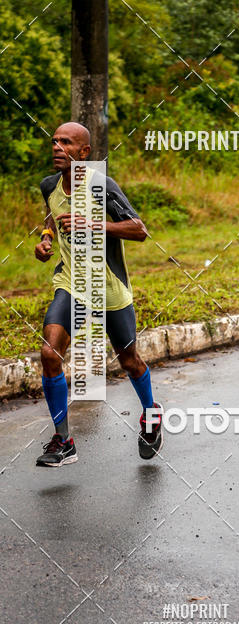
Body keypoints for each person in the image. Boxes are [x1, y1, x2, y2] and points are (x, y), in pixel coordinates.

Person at [34, 122, 163, 467]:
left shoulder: (101, 186)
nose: (57, 147)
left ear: (84, 152)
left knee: (129, 361)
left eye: (66, 142)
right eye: (55, 141)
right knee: (49, 354)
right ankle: (63, 440)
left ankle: (151, 413)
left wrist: (92, 224)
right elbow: (51, 216)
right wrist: (46, 240)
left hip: (108, 289)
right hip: (71, 284)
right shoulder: (49, 185)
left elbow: (139, 230)